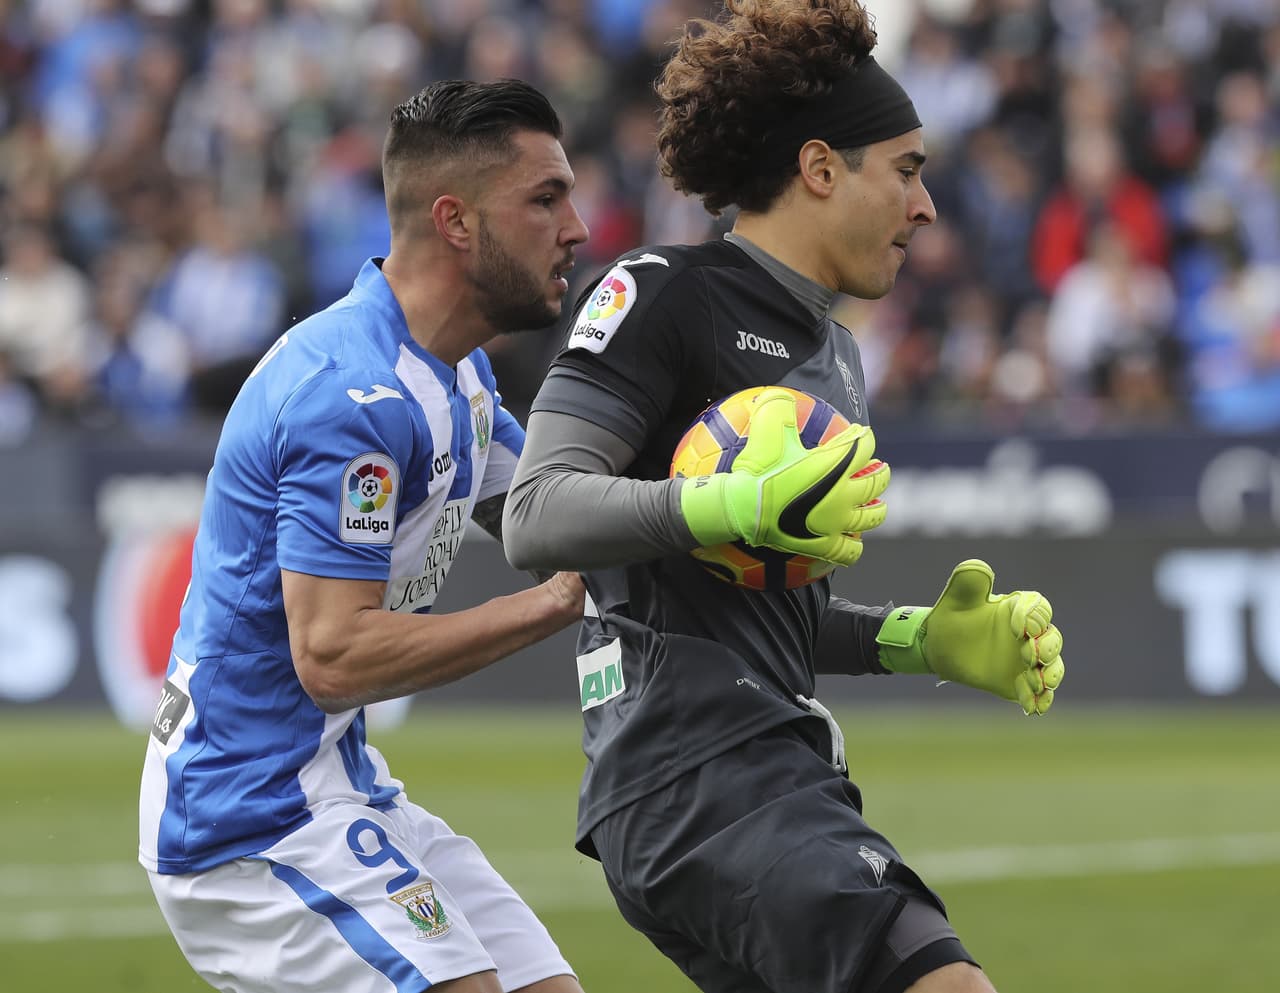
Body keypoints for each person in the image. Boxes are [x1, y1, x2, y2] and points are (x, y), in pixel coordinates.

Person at [501, 4, 1065, 993]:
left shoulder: (834, 356)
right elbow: (535, 514)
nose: (924, 206)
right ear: (818, 169)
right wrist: (707, 508)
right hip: (697, 773)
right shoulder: (659, 291)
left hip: (759, 768)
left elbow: (762, 614)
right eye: (905, 169)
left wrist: (918, 641)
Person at [139, 79, 591, 993]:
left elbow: (556, 513)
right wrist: (551, 605)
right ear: (456, 221)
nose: (576, 227)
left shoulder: (458, 378)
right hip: (244, 820)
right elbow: (335, 653)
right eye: (546, 198)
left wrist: (712, 498)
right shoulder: (352, 397)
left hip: (336, 781)